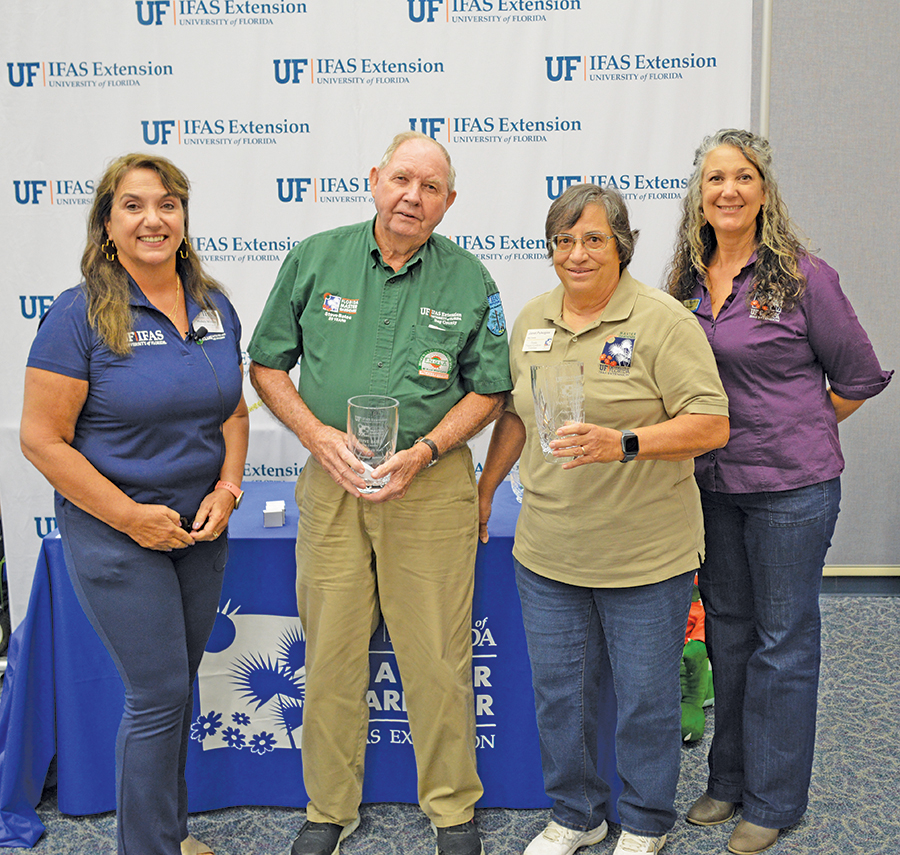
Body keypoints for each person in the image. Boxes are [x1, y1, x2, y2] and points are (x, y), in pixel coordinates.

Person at [247, 131, 511, 855]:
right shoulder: (315, 257)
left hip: (428, 489)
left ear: (448, 202)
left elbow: (491, 388)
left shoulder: (471, 279)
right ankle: (328, 807)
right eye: (401, 179)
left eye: (430, 188)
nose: (412, 197)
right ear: (373, 180)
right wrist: (316, 436)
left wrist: (426, 449)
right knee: (330, 652)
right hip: (331, 487)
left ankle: (453, 808)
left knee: (437, 656)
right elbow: (267, 365)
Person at [477, 184, 730, 855]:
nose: (577, 253)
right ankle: (577, 813)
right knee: (561, 696)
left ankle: (645, 820)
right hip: (549, 554)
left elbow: (712, 423)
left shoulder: (662, 321)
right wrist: (484, 487)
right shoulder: (531, 318)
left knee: (645, 702)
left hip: (645, 557)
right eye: (563, 240)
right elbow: (512, 416)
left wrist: (624, 442)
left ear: (621, 243)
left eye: (592, 238)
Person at [666, 129, 892, 855]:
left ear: (764, 191)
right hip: (713, 485)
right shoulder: (686, 280)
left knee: (782, 640)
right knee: (728, 628)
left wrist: (800, 428)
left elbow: (857, 376)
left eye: (742, 177)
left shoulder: (802, 276)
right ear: (698, 196)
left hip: (792, 489)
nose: (727, 190)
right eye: (714, 179)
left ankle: (774, 798)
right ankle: (727, 778)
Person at [19, 154, 249, 855]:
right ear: (108, 223)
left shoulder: (212, 302)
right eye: (134, 205)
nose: (154, 218)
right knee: (156, 697)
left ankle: (169, 835)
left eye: (168, 204)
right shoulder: (80, 311)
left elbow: (233, 411)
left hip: (197, 530)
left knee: (177, 691)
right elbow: (40, 438)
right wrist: (129, 516)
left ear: (183, 220)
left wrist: (228, 487)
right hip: (116, 534)